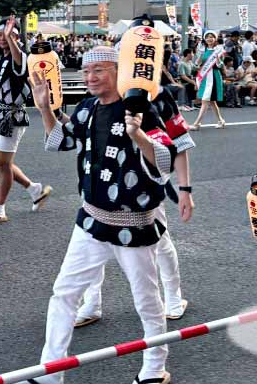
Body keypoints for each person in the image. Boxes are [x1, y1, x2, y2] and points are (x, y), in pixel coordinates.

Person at [13, 47, 176, 384]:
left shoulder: (141, 108)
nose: (89, 78)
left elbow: (165, 159)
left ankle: (156, 365)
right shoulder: (86, 107)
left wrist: (139, 136)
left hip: (132, 222)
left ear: (121, 71)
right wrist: (44, 108)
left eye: (99, 70)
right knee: (64, 292)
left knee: (146, 300)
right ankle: (50, 373)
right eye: (86, 71)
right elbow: (61, 141)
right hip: (90, 219)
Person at [74, 59, 196, 327]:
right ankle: (91, 303)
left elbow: (180, 140)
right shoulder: (100, 93)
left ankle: (173, 296)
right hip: (99, 185)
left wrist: (185, 188)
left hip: (144, 187)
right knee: (91, 241)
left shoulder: (158, 94)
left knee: (160, 242)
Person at [0, 16, 51, 224]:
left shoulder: (22, 58)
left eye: (8, 34)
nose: (2, 38)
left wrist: (11, 37)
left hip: (13, 116)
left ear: (17, 37)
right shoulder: (1, 60)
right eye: (0, 34)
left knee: (3, 162)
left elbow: (20, 61)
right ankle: (34, 189)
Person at [189, 30, 226, 130]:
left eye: (211, 37)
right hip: (205, 77)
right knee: (212, 102)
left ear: (215, 38)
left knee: (205, 100)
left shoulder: (218, 50)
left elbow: (220, 65)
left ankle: (197, 124)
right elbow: (197, 64)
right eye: (207, 37)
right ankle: (221, 121)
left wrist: (217, 57)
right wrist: (199, 57)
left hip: (214, 77)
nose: (209, 39)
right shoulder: (203, 50)